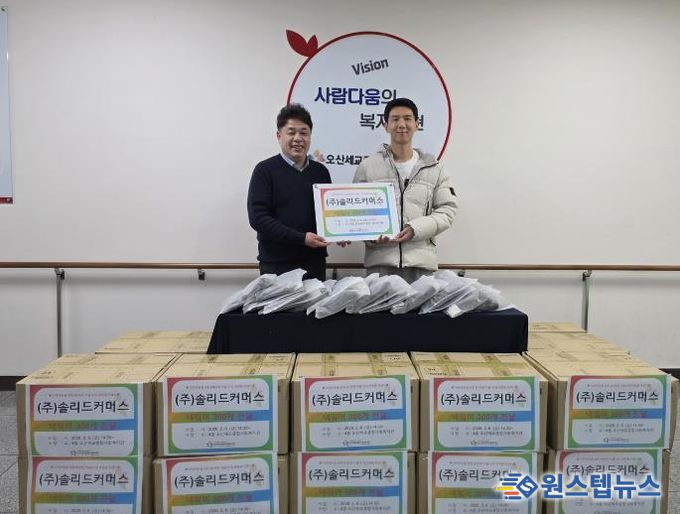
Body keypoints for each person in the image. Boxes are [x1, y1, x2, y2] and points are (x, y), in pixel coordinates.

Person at [353, 97, 458, 282]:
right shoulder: (367, 167)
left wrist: (415, 229)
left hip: (421, 265)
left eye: (407, 119)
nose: (401, 124)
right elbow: (355, 212)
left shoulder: (435, 168)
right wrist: (371, 236)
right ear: (386, 125)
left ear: (417, 124)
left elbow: (447, 211)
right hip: (380, 264)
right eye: (395, 119)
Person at [247, 103, 331, 280]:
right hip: (276, 265)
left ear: (310, 136)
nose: (298, 138)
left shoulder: (320, 172)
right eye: (291, 132)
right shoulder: (264, 171)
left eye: (304, 133)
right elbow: (258, 218)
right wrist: (301, 238)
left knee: (316, 301)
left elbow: (328, 214)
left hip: (314, 264)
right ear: (279, 136)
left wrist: (339, 232)